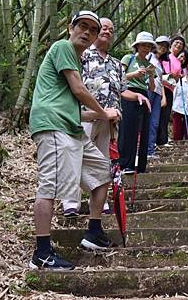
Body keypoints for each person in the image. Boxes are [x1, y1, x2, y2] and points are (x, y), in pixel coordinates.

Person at [29, 10, 121, 270]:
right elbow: (79, 91)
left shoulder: (76, 61)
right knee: (49, 185)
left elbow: (75, 107)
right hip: (53, 125)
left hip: (70, 126)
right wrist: (104, 112)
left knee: (102, 172)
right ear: (71, 28)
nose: (87, 32)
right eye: (82, 26)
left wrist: (104, 116)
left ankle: (93, 233)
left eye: (92, 30)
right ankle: (42, 254)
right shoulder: (62, 48)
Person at [61, 18, 150, 217]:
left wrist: (138, 95)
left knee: (102, 163)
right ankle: (70, 203)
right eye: (104, 28)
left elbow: (122, 91)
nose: (107, 32)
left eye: (111, 29)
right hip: (83, 115)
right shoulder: (81, 55)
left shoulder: (116, 64)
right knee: (76, 156)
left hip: (109, 120)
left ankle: (99, 203)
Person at [118, 31, 155, 174]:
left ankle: (140, 165)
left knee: (143, 130)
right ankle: (125, 164)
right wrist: (135, 74)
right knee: (128, 128)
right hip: (129, 94)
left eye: (149, 46)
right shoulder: (129, 58)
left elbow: (151, 88)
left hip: (144, 96)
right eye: (144, 45)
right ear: (137, 46)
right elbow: (118, 76)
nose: (146, 48)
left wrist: (151, 75)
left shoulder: (150, 65)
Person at [157, 35, 183, 147]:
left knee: (165, 115)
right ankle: (159, 140)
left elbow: (176, 77)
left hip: (171, 88)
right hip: (161, 86)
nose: (178, 45)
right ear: (171, 44)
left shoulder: (178, 61)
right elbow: (161, 72)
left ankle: (163, 139)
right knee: (159, 114)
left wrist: (177, 77)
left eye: (181, 44)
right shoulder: (166, 56)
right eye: (176, 42)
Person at [146, 36, 168, 159]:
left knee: (154, 123)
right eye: (160, 45)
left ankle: (150, 150)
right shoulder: (148, 56)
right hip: (148, 90)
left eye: (165, 47)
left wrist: (163, 97)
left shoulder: (160, 63)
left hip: (158, 93)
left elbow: (160, 80)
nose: (162, 48)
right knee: (145, 120)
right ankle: (141, 149)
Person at [171, 66, 188, 140]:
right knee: (177, 132)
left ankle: (186, 149)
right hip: (178, 109)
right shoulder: (180, 81)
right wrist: (172, 107)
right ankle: (177, 149)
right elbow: (174, 94)